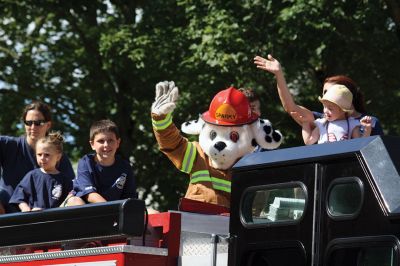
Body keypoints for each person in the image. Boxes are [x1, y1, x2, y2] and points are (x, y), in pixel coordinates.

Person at [254, 54, 383, 136]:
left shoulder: (370, 122)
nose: (325, 99)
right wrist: (279, 75)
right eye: (323, 93)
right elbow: (291, 108)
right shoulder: (322, 120)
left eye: (329, 92)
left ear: (346, 95)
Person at [0, 101, 75, 214]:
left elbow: (71, 192)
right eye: (28, 122)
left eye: (38, 122)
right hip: (7, 214)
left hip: (46, 218)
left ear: (48, 125)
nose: (33, 127)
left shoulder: (59, 157)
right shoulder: (8, 145)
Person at [64, 119, 136, 206]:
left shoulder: (125, 167)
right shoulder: (86, 163)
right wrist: (111, 210)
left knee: (153, 212)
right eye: (101, 141)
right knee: (75, 201)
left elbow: (129, 197)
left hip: (115, 212)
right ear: (92, 144)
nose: (106, 145)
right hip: (88, 210)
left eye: (110, 140)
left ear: (118, 142)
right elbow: (89, 195)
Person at [9, 132, 73, 212]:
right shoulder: (31, 176)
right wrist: (25, 209)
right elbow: (19, 197)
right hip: (35, 220)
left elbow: (70, 200)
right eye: (39, 154)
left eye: (47, 155)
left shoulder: (65, 180)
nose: (42, 158)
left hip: (56, 220)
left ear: (58, 157)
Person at [301, 84, 372, 145]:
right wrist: (305, 123)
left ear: (342, 111)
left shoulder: (351, 124)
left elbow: (360, 144)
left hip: (344, 159)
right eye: (324, 107)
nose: (325, 111)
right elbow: (308, 141)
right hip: (324, 160)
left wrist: (367, 129)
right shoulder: (322, 123)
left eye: (330, 108)